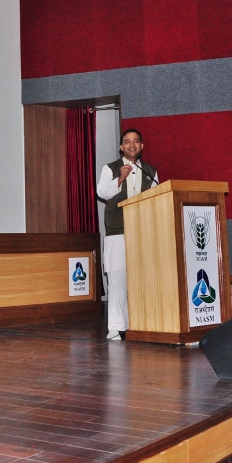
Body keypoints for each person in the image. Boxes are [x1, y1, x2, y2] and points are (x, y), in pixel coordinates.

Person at [96, 128, 158, 341]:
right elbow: (102, 192)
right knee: (117, 279)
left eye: (136, 141)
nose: (132, 145)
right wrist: (119, 179)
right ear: (121, 147)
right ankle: (116, 326)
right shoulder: (110, 168)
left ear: (142, 146)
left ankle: (144, 322)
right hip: (117, 232)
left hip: (143, 232)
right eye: (127, 141)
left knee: (143, 278)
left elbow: (157, 197)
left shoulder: (150, 171)